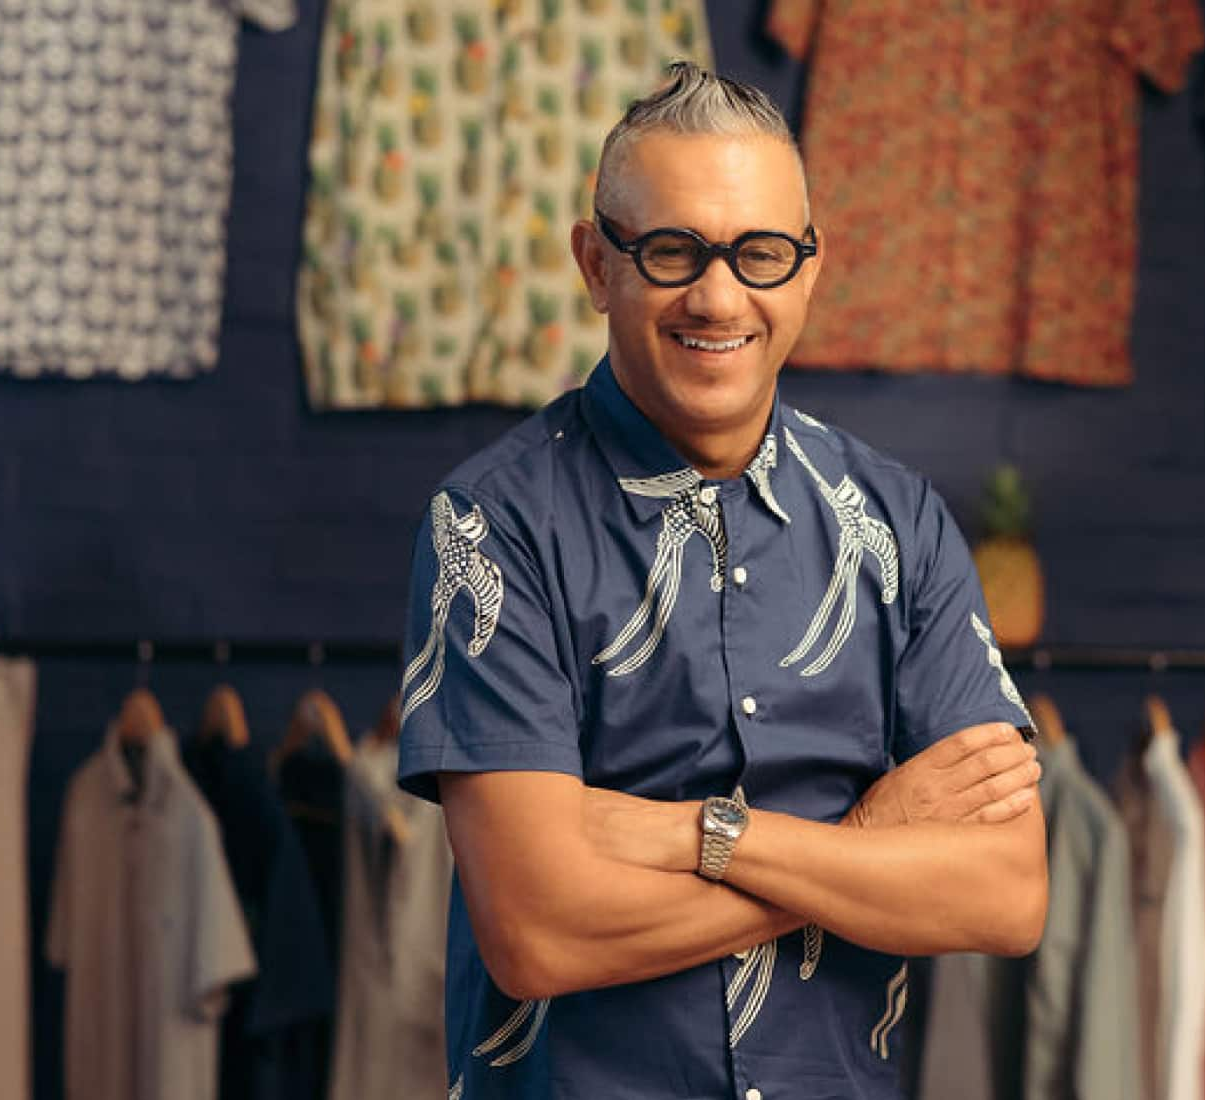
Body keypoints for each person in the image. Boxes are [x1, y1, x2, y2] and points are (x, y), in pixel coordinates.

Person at [393, 61, 1051, 1100]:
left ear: (808, 270)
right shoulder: (494, 524)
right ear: (593, 263)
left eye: (758, 253)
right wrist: (858, 849)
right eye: (670, 250)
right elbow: (536, 932)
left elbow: (1005, 895)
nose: (718, 294)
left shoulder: (899, 525)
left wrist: (688, 833)